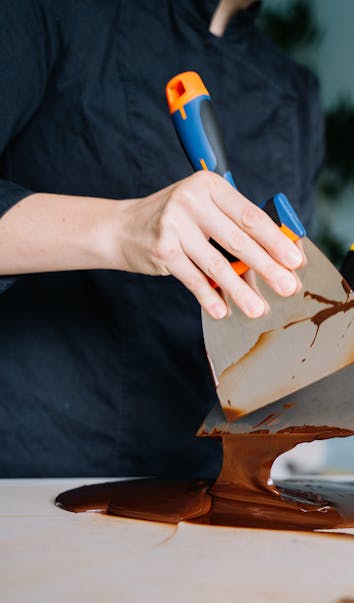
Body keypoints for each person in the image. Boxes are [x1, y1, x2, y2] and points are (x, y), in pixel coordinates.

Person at [0, 0, 324, 479]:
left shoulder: (297, 91)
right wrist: (124, 228)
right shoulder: (47, 12)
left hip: (204, 478)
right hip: (36, 466)